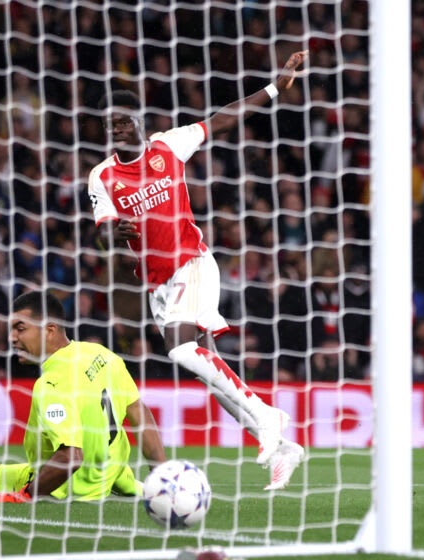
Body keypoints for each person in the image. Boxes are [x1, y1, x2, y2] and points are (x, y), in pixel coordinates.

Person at [86, 50, 308, 490]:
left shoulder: (169, 145)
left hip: (194, 261)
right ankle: (283, 446)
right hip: (157, 283)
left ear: (139, 122)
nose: (118, 129)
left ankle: (268, 417)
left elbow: (223, 118)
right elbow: (101, 234)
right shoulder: (102, 177)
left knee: (180, 349)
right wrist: (115, 233)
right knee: (209, 367)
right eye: (111, 124)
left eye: (124, 121)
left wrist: (271, 88)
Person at [0, 291, 165, 502]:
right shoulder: (101, 354)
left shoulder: (51, 384)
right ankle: (136, 485)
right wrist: (162, 475)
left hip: (68, 488)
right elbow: (139, 412)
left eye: (20, 329)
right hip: (112, 470)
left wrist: (26, 495)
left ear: (49, 330)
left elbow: (70, 458)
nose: (12, 338)